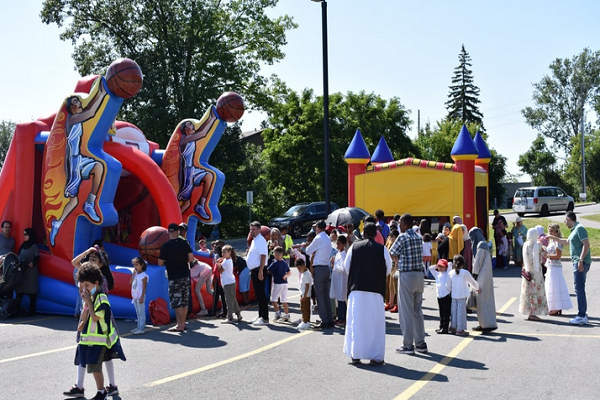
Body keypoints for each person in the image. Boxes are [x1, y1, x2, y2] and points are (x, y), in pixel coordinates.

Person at [50, 85, 107, 246]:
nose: (80, 102)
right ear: (71, 108)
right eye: (76, 101)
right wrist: (101, 94)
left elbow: (89, 110)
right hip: (73, 161)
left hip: (80, 158)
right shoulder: (72, 119)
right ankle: (58, 223)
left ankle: (90, 202)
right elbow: (91, 112)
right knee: (73, 201)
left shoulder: (78, 116)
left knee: (99, 167)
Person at [65, 262, 125, 400]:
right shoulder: (90, 298)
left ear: (96, 283)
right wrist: (82, 322)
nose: (84, 289)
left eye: (87, 285)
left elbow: (96, 317)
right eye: (82, 285)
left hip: (100, 340)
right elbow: (86, 310)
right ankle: (98, 390)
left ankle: (102, 392)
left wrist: (89, 304)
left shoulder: (102, 299)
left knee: (94, 367)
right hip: (89, 339)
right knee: (91, 366)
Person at [343, 222, 392, 365]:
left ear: (363, 233)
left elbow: (347, 267)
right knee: (375, 324)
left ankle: (356, 354)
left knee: (356, 322)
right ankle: (376, 357)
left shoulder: (355, 247)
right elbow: (388, 270)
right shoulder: (382, 249)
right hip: (375, 291)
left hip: (357, 289)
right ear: (376, 234)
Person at [390, 213, 427, 355]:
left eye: (400, 223)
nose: (399, 225)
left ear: (405, 223)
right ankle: (420, 343)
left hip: (406, 275)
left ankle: (407, 345)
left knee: (406, 312)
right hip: (419, 275)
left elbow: (392, 251)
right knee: (417, 311)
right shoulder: (418, 237)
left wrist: (398, 259)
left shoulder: (402, 237)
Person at [547, 212, 592, 325]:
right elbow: (566, 242)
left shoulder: (579, 228)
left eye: (565, 220)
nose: (564, 222)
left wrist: (581, 260)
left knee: (579, 288)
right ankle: (583, 314)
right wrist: (553, 237)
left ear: (569, 219)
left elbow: (586, 244)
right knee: (579, 288)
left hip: (580, 262)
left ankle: (581, 315)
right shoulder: (574, 230)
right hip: (577, 262)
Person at [158, 223, 194, 332]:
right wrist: (182, 261)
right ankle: (182, 323)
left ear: (168, 232)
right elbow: (191, 258)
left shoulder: (165, 246)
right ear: (178, 231)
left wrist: (168, 262)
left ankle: (180, 325)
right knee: (185, 300)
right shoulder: (184, 243)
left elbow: (160, 262)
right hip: (185, 275)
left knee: (177, 301)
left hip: (174, 277)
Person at [176, 120, 215, 219]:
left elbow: (201, 129)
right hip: (187, 172)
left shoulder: (190, 138)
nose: (193, 126)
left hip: (192, 169)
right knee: (186, 202)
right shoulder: (186, 140)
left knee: (209, 176)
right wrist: (213, 119)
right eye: (190, 125)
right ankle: (172, 220)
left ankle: (200, 204)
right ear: (186, 130)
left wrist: (210, 118)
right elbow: (203, 133)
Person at [305, 220, 334, 329]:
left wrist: (310, 248)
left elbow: (308, 250)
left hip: (319, 267)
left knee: (320, 296)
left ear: (318, 227)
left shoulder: (318, 238)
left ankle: (324, 320)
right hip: (325, 267)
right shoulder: (327, 237)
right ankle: (329, 318)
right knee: (325, 294)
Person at [469, 227, 497, 332]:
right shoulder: (483, 243)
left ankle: (485, 324)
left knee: (481, 302)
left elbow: (477, 263)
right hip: (486, 277)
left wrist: (473, 277)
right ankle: (487, 323)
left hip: (481, 277)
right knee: (487, 301)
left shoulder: (480, 245)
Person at [519, 228, 548, 321]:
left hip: (527, 270)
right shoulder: (538, 245)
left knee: (528, 292)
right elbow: (545, 253)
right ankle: (534, 313)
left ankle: (528, 311)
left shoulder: (525, 245)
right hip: (536, 271)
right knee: (536, 291)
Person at [447, 255, 480, 336]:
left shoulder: (450, 273)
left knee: (454, 311)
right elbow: (472, 282)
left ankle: (453, 326)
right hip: (462, 295)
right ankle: (460, 329)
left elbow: (448, 286)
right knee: (461, 312)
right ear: (463, 264)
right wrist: (477, 288)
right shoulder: (465, 273)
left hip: (454, 295)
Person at [544, 223, 572, 316]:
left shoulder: (558, 242)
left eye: (551, 231)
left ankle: (556, 307)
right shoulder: (551, 241)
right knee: (550, 286)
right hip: (551, 266)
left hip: (556, 267)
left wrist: (547, 256)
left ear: (556, 232)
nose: (549, 232)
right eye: (549, 230)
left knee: (555, 287)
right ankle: (553, 306)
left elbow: (558, 255)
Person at [247, 221, 269, 326]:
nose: (252, 231)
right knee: (258, 294)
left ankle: (264, 317)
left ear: (259, 230)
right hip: (254, 270)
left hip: (258, 270)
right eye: (251, 229)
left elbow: (263, 256)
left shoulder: (260, 240)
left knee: (261, 294)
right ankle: (260, 315)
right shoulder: (255, 240)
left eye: (254, 229)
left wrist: (260, 270)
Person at [15, 228, 39, 316]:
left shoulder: (34, 246)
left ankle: (32, 311)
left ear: (30, 235)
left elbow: (37, 258)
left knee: (32, 292)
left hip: (30, 273)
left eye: (26, 234)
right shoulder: (23, 245)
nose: (24, 236)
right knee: (19, 291)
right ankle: (15, 309)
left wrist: (33, 263)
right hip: (22, 272)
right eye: (23, 234)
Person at [217, 245, 242, 324]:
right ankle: (238, 314)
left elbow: (221, 270)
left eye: (225, 252)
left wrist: (218, 265)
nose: (223, 254)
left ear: (229, 253)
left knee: (228, 301)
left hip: (228, 283)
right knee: (233, 299)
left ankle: (230, 317)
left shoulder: (227, 262)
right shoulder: (228, 260)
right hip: (230, 282)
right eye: (222, 252)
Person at [267, 246, 291, 322]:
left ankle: (278, 313)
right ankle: (287, 315)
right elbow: (289, 272)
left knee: (273, 300)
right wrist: (285, 276)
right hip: (285, 283)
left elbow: (268, 270)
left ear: (276, 255)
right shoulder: (284, 262)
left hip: (277, 283)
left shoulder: (275, 263)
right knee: (284, 300)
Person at [428, 259, 451, 334]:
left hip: (446, 295)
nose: (440, 268)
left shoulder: (447, 273)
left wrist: (446, 265)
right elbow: (430, 268)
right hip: (439, 295)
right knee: (441, 312)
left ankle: (445, 327)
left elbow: (450, 264)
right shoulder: (437, 274)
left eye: (442, 266)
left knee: (446, 313)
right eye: (439, 266)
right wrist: (436, 265)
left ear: (445, 267)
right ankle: (441, 326)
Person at [330, 235, 348, 325]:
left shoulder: (345, 255)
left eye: (339, 244)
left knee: (341, 299)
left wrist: (334, 266)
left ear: (344, 244)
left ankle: (342, 318)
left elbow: (343, 268)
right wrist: (333, 262)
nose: (337, 245)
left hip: (341, 279)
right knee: (339, 299)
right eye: (337, 243)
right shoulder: (337, 254)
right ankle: (341, 317)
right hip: (336, 279)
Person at [129, 257, 148, 334]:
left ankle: (141, 328)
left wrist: (142, 296)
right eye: (134, 265)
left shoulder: (144, 276)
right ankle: (138, 326)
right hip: (135, 296)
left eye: (137, 265)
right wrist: (133, 275)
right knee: (137, 312)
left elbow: (144, 287)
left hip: (140, 296)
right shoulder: (136, 274)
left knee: (141, 312)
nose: (135, 267)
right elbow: (130, 282)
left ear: (142, 265)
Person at [386, 230, 400, 313]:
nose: (390, 239)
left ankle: (397, 304)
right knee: (391, 286)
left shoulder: (397, 245)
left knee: (396, 287)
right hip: (392, 265)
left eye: (391, 237)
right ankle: (390, 303)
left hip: (396, 266)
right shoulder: (391, 244)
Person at [296, 258, 312, 330]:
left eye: (300, 268)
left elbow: (307, 285)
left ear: (304, 265)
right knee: (302, 308)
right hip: (303, 294)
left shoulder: (306, 274)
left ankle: (306, 321)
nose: (299, 270)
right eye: (298, 269)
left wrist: (305, 296)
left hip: (306, 295)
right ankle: (304, 320)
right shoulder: (304, 273)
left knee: (305, 308)